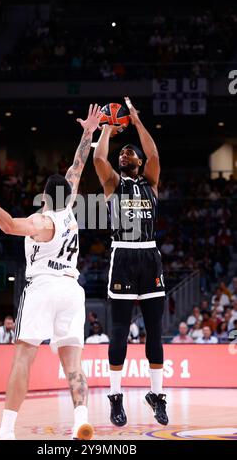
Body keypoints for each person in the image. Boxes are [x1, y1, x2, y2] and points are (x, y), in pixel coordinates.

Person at [0, 104, 102, 440]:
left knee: (23, 359)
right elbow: (78, 164)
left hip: (43, 285)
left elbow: (7, 225)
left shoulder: (41, 221)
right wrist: (88, 131)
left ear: (44, 196)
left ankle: (6, 429)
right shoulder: (70, 209)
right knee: (73, 365)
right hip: (73, 289)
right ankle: (80, 420)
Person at [93, 96, 168, 427]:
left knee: (155, 331)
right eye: (122, 153)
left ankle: (157, 395)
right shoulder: (113, 183)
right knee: (120, 332)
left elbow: (154, 153)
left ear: (137, 161)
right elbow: (98, 157)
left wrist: (136, 122)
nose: (125, 154)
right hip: (123, 254)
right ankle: (115, 396)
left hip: (150, 255)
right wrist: (108, 128)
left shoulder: (151, 181)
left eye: (129, 152)